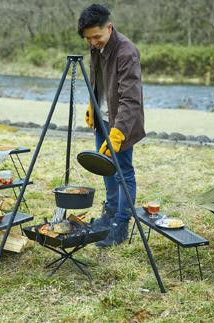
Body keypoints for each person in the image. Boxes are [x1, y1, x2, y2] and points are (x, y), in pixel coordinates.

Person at [78, 4, 146, 247]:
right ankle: (109, 214)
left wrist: (118, 132)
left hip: (122, 123)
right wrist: (91, 104)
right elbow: (96, 79)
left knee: (123, 171)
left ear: (109, 27)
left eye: (97, 36)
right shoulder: (95, 48)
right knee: (105, 167)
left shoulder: (127, 52)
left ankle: (121, 222)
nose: (93, 42)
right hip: (103, 118)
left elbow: (131, 98)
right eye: (89, 38)